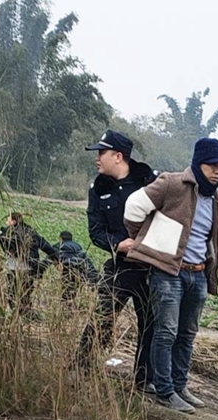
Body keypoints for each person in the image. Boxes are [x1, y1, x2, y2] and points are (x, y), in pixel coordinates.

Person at [124, 137, 218, 413]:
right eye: (212, 165)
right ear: (198, 163)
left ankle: (180, 387)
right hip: (169, 273)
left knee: (187, 334)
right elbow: (134, 208)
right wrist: (145, 243)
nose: (217, 171)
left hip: (198, 274)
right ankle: (165, 391)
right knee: (166, 332)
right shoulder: (172, 184)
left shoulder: (215, 199)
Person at [75, 129, 158, 393]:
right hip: (120, 265)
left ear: (118, 156)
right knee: (102, 317)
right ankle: (80, 367)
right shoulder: (98, 189)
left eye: (102, 153)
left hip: (148, 267)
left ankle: (145, 381)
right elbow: (95, 230)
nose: (97, 158)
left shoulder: (150, 181)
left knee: (150, 324)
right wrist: (116, 244)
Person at [0, 212, 58, 320]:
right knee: (24, 296)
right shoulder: (31, 232)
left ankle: (26, 319)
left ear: (14, 221)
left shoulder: (9, 232)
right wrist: (57, 259)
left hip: (15, 269)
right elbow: (46, 246)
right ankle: (28, 319)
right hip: (30, 268)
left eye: (8, 219)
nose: (6, 221)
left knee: (12, 296)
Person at [52, 231, 99, 303]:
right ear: (71, 238)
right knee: (73, 289)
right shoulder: (78, 246)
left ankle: (65, 305)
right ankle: (69, 304)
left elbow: (51, 257)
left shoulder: (58, 245)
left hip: (67, 269)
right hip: (80, 270)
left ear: (60, 238)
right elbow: (87, 261)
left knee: (67, 289)